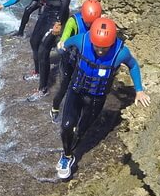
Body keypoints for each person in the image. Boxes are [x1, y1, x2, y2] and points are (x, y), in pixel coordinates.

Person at [54, 17, 149, 179]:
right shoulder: (82, 40)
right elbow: (65, 43)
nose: (100, 51)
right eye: (97, 46)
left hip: (96, 98)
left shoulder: (121, 53)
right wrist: (61, 45)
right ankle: (67, 156)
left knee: (81, 130)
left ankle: (73, 145)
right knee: (67, 126)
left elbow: (133, 65)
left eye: (104, 48)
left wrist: (139, 90)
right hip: (76, 90)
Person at [25, 0, 72, 101]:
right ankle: (38, 72)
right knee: (34, 41)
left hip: (58, 13)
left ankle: (43, 89)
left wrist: (59, 22)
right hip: (47, 11)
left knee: (44, 49)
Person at [50, 0, 103, 120]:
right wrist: (61, 46)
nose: (90, 26)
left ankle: (78, 113)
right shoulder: (73, 21)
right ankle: (55, 106)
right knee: (64, 86)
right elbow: (64, 38)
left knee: (84, 88)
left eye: (92, 23)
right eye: (88, 23)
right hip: (70, 59)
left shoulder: (100, 22)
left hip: (85, 60)